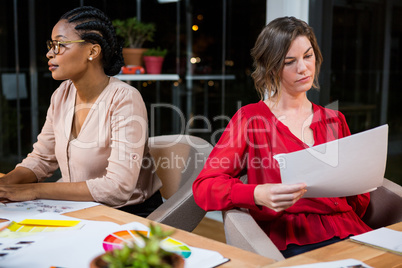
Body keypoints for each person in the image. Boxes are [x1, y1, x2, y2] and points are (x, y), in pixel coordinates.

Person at [192, 16, 372, 257]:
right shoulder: (251, 119)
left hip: (352, 230)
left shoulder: (333, 119)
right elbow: (204, 187)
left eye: (308, 56)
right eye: (290, 61)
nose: (303, 68)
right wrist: (257, 194)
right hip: (293, 238)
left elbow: (358, 195)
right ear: (271, 67)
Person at [0, 6, 162, 217]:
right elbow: (41, 159)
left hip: (129, 214)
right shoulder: (62, 94)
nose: (50, 53)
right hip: (79, 207)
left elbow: (118, 188)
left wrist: (32, 190)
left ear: (92, 52)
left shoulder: (124, 98)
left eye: (60, 45)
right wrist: (5, 184)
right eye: (51, 45)